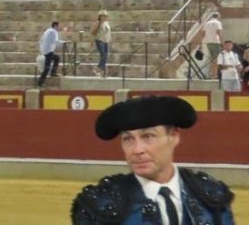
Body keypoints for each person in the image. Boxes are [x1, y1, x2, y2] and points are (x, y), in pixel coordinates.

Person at [71, 96, 234, 224]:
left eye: (148, 136)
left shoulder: (212, 197)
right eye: (128, 139)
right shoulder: (99, 205)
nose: (137, 150)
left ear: (174, 137)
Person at [38, 21, 62, 87]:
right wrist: (63, 43)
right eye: (58, 26)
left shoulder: (48, 30)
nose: (59, 28)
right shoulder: (54, 32)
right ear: (55, 26)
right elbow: (56, 41)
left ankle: (53, 72)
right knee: (47, 67)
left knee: (57, 58)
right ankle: (40, 82)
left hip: (45, 50)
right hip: (48, 51)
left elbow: (41, 39)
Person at [202, 12, 223, 76]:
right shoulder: (217, 22)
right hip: (215, 42)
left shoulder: (207, 23)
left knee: (212, 59)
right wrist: (222, 42)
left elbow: (203, 34)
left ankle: (211, 74)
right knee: (217, 59)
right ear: (218, 16)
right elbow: (219, 32)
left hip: (208, 42)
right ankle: (214, 74)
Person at [92, 10, 111, 78]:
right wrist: (99, 25)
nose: (105, 17)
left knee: (105, 56)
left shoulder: (107, 23)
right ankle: (98, 68)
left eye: (106, 16)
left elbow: (108, 33)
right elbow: (93, 32)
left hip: (106, 41)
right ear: (100, 16)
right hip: (100, 40)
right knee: (103, 55)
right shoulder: (97, 23)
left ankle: (103, 72)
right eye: (103, 16)